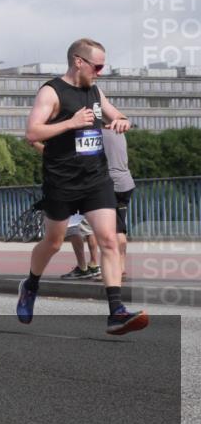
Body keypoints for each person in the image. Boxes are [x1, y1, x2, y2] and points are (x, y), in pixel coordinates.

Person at [17, 38, 147, 335]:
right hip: (61, 180)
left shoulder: (95, 91)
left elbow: (118, 114)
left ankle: (116, 311)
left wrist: (123, 121)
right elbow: (32, 132)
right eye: (97, 66)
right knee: (52, 242)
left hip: (96, 179)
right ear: (79, 61)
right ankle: (31, 284)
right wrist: (70, 123)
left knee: (110, 240)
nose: (100, 72)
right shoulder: (52, 92)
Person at [102, 127, 135, 280]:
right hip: (126, 183)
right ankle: (121, 267)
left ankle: (110, 270)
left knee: (106, 231)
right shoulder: (120, 132)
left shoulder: (99, 134)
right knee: (120, 227)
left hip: (110, 184)